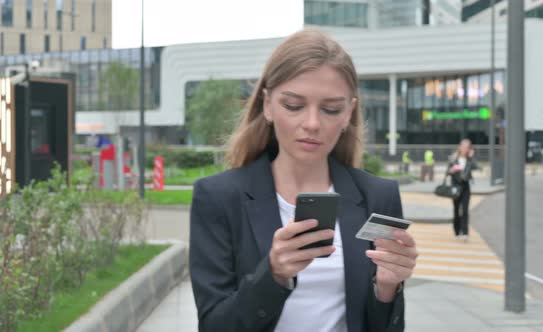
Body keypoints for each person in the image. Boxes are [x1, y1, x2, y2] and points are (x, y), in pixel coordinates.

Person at [189, 29, 417, 332]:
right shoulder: (218, 197)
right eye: (294, 106)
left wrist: (387, 288)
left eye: (330, 109)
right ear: (268, 104)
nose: (311, 124)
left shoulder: (379, 195)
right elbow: (214, 325)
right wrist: (272, 275)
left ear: (349, 111)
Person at [447, 139, 478, 241]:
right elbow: (448, 172)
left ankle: (465, 232)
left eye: (467, 147)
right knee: (456, 210)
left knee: (465, 210)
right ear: (459, 147)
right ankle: (457, 231)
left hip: (465, 187)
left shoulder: (469, 160)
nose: (465, 148)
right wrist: (452, 170)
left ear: (469, 148)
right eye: (463, 146)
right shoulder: (453, 158)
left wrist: (472, 156)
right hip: (455, 186)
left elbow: (475, 167)